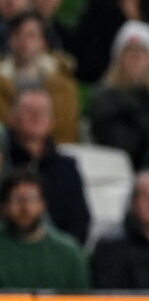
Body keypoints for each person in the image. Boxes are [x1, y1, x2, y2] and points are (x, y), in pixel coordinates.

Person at [4, 86, 90, 243]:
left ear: (52, 121)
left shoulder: (66, 169)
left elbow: (79, 222)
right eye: (28, 110)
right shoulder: (3, 162)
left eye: (43, 111)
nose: (36, 116)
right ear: (13, 117)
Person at [87, 20, 149, 167]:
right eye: (130, 51)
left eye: (142, 52)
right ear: (118, 58)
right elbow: (118, 143)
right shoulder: (103, 98)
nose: (136, 58)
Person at [0, 168, 89, 290]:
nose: (25, 207)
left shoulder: (69, 253)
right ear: (3, 206)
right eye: (15, 199)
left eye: (32, 198)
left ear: (44, 204)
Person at [0, 11, 79, 143]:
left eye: (31, 35)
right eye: (18, 34)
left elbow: (67, 131)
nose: (24, 42)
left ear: (43, 41)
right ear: (11, 40)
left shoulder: (64, 84)